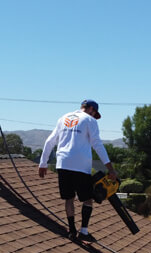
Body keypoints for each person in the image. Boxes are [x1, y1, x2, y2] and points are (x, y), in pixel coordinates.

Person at [39, 100, 117, 242]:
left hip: (63, 164)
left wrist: (43, 163)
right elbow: (97, 144)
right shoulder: (89, 120)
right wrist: (110, 168)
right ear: (91, 109)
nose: (94, 116)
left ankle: (71, 230)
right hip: (81, 165)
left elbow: (50, 141)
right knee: (87, 199)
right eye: (94, 113)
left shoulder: (63, 118)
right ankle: (84, 231)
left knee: (69, 198)